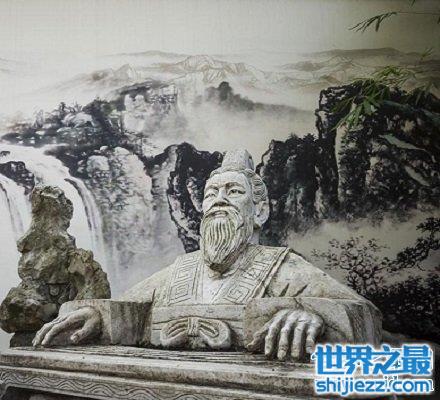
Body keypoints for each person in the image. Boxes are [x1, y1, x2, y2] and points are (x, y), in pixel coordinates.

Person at [33, 149, 381, 361]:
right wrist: (96, 315)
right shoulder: (179, 271)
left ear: (259, 211)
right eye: (211, 193)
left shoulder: (286, 268)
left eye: (233, 192)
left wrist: (313, 315)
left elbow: (368, 317)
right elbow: (126, 309)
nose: (219, 200)